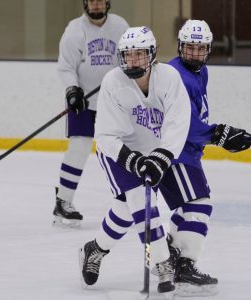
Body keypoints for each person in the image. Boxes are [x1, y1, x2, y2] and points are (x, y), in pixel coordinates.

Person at [78, 26, 191, 294]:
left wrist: (162, 155)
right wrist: (134, 161)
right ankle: (163, 263)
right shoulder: (113, 82)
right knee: (140, 198)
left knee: (126, 208)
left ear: (152, 55)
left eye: (140, 55)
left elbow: (178, 121)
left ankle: (95, 249)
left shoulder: (169, 78)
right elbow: (105, 135)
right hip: (118, 152)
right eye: (128, 55)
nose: (133, 61)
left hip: (153, 151)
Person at [161, 19, 251, 296]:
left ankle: (170, 252)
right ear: (180, 46)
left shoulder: (202, 72)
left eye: (201, 49)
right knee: (200, 205)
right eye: (190, 48)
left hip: (188, 153)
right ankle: (184, 264)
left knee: (190, 208)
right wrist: (219, 135)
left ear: (208, 49)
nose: (195, 54)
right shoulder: (173, 74)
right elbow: (184, 123)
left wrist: (221, 136)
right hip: (174, 153)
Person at [53, 0, 129, 227]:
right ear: (85, 3)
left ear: (107, 3)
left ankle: (130, 201)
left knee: (125, 148)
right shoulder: (75, 30)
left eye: (100, 0)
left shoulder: (121, 26)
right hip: (83, 102)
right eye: (91, 0)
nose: (96, 4)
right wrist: (72, 90)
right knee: (79, 147)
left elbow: (129, 58)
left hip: (113, 102)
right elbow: (66, 66)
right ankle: (63, 201)